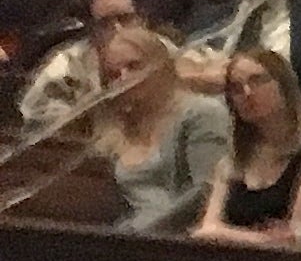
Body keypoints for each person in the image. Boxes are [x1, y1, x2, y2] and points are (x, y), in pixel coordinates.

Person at [77, 24, 222, 237]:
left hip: (182, 243)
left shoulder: (202, 113)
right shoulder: (115, 132)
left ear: (160, 66)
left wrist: (142, 234)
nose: (124, 79)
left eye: (134, 66)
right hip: (129, 238)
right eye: (113, 75)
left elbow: (205, 193)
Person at [194, 46, 301, 241]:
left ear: (284, 85)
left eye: (257, 80)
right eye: (236, 88)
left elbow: (296, 238)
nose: (247, 93)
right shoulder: (238, 151)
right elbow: (208, 228)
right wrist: (259, 238)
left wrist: (226, 234)